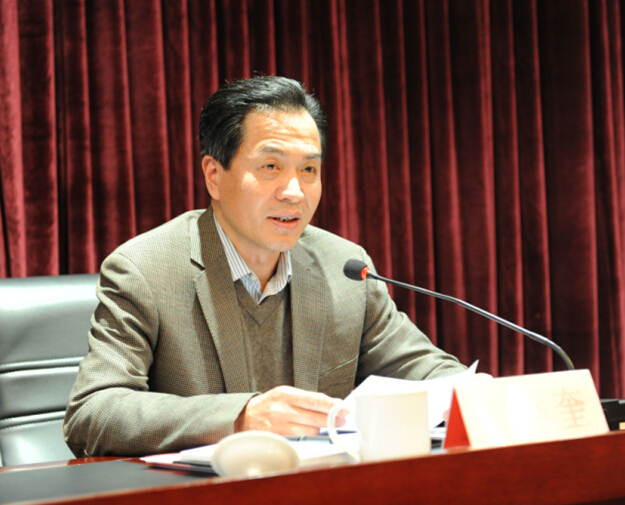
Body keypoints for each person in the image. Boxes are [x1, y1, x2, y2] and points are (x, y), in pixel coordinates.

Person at [63, 76, 466, 457]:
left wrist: (472, 390)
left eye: (308, 170)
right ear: (214, 176)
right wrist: (240, 418)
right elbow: (93, 412)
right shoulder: (146, 270)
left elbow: (423, 368)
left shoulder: (343, 268)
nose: (294, 192)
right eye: (271, 167)